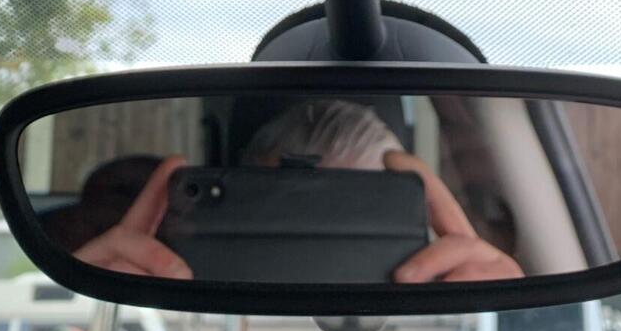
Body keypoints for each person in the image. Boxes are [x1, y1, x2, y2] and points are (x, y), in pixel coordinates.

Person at [72, 99, 523, 283]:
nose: (317, 263)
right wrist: (94, 293)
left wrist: (489, 310)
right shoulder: (176, 298)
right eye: (284, 220)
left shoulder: (446, 295)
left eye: (353, 226)